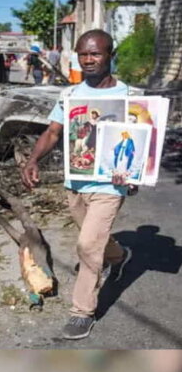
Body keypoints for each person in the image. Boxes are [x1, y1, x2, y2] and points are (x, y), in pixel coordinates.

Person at [21, 29, 132, 340]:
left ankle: (82, 312)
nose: (88, 59)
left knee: (86, 246)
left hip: (111, 184)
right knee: (94, 239)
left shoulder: (129, 96)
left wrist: (136, 175)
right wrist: (32, 161)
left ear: (111, 55)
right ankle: (119, 256)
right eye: (83, 54)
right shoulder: (70, 95)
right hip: (76, 182)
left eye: (95, 53)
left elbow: (142, 142)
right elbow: (53, 133)